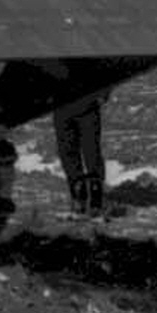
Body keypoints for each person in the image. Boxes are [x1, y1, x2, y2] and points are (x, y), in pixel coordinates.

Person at [52, 92, 107, 220]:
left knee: (91, 152)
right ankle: (78, 197)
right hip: (61, 109)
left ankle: (96, 201)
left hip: (88, 107)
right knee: (67, 152)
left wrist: (104, 94)